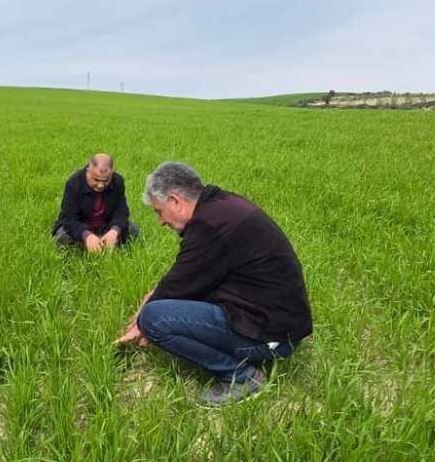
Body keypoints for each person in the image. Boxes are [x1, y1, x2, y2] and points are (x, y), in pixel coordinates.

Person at [115, 162, 311, 406]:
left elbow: (177, 285)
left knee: (155, 318)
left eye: (159, 211)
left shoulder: (209, 226)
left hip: (272, 336)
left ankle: (242, 377)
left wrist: (141, 321)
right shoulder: (220, 207)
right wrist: (151, 297)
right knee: (159, 306)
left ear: (175, 201)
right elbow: (183, 277)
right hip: (279, 321)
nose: (161, 222)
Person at [52, 153, 138, 252]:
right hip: (81, 226)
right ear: (88, 171)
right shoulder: (73, 183)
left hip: (106, 226)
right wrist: (87, 235)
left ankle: (107, 241)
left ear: (111, 173)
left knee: (133, 229)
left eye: (106, 180)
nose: (100, 185)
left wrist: (115, 230)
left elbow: (121, 211)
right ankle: (87, 245)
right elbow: (69, 218)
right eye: (96, 180)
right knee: (62, 237)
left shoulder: (117, 181)